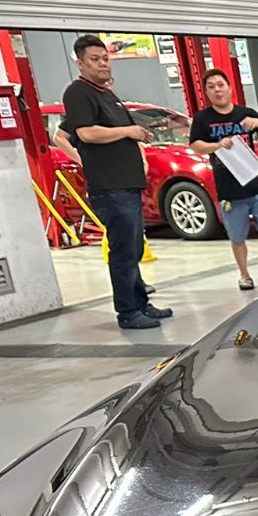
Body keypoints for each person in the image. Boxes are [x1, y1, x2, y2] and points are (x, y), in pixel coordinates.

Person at [60, 36, 170, 330]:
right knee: (123, 251)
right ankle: (127, 312)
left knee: (133, 248)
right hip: (110, 187)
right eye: (94, 59)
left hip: (127, 184)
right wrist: (127, 132)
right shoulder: (78, 93)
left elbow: (119, 131)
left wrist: (138, 135)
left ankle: (141, 304)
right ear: (80, 63)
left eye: (105, 58)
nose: (102, 64)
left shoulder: (106, 94)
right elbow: (86, 133)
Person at [188, 70, 258, 290]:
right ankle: (244, 274)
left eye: (220, 85)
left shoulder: (244, 113)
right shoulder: (203, 119)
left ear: (230, 87)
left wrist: (257, 122)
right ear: (206, 92)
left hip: (254, 184)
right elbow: (195, 144)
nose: (217, 90)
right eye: (211, 87)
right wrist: (216, 145)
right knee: (237, 236)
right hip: (228, 189)